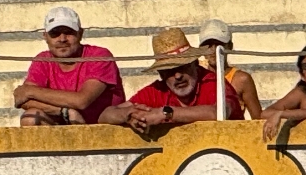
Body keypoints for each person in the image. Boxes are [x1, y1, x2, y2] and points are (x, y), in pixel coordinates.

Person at [100, 27, 242, 135]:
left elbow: (218, 112)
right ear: (161, 74)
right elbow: (105, 115)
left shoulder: (212, 82)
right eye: (170, 71)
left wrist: (165, 113)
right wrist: (129, 115)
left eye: (183, 67)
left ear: (195, 64)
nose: (178, 76)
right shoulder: (157, 90)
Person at [14, 6, 124, 125]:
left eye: (69, 32)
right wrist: (64, 112)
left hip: (100, 128)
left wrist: (30, 91)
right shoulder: (42, 60)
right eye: (55, 33)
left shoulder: (99, 55)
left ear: (80, 34)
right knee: (31, 117)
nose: (62, 39)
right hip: (62, 123)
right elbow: (22, 100)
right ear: (45, 36)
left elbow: (82, 101)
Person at [196, 19, 261, 119]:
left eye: (219, 44)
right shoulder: (197, 78)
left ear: (229, 46)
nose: (214, 49)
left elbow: (258, 119)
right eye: (208, 45)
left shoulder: (241, 80)